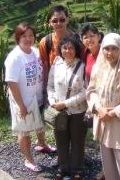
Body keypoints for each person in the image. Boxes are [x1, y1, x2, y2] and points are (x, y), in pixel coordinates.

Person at [87, 33, 120, 180]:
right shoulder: (98, 67)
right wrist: (99, 108)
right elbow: (91, 91)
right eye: (106, 49)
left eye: (114, 49)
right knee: (108, 165)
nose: (109, 53)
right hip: (103, 121)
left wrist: (112, 113)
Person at [4, 22, 56, 173]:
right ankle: (29, 159)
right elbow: (11, 83)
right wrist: (21, 106)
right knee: (24, 131)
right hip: (23, 100)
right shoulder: (14, 58)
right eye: (24, 36)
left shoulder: (35, 51)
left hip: (37, 97)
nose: (28, 39)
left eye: (31, 35)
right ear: (18, 37)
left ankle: (42, 144)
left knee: (39, 123)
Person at [47, 35, 87, 179]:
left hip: (78, 110)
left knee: (77, 140)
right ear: (60, 49)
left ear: (76, 49)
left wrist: (66, 103)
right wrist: (52, 101)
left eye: (71, 48)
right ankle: (63, 166)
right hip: (59, 111)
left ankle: (77, 168)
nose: (68, 50)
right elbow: (50, 86)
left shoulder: (82, 66)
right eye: (65, 47)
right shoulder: (56, 64)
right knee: (61, 140)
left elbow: (86, 91)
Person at [39, 5, 74, 92]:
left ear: (67, 20)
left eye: (62, 20)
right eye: (55, 21)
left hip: (74, 87)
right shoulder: (45, 42)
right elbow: (45, 68)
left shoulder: (77, 40)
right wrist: (45, 91)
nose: (59, 23)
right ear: (50, 22)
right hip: (54, 88)